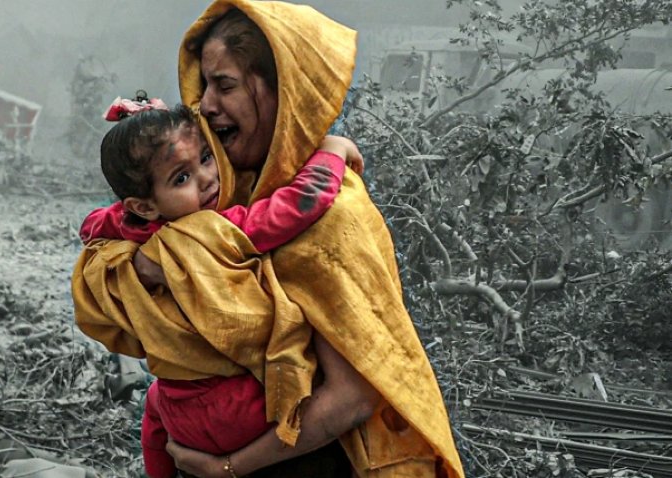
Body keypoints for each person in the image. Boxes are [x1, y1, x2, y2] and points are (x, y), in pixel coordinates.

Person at [73, 1, 465, 477]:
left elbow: (353, 397)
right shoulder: (229, 192)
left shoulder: (332, 216)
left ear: (285, 92)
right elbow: (101, 301)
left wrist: (229, 467)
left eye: (226, 85)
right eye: (206, 85)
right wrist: (146, 264)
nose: (207, 105)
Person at [79, 101, 362, 478]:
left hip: (181, 413)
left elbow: (93, 226)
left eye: (207, 158)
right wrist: (334, 151)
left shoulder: (133, 234)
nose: (207, 179)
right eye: (181, 178)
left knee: (154, 409)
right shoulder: (214, 231)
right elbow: (297, 206)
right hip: (243, 415)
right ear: (144, 205)